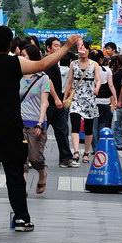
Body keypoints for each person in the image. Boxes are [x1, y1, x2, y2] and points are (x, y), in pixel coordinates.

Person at [0, 27, 77, 232]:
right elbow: (43, 63)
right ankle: (21, 218)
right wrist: (66, 46)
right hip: (9, 127)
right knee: (14, 174)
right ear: (11, 45)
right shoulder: (14, 63)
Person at [19, 44, 52, 194]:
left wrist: (40, 122)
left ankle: (42, 174)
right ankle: (23, 186)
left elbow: (44, 102)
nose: (21, 58)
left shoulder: (42, 78)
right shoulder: (16, 75)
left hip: (35, 123)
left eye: (24, 55)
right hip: (18, 122)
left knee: (35, 158)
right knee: (21, 158)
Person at [63, 39, 100, 164]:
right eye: (79, 47)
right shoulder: (73, 64)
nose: (82, 50)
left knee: (89, 129)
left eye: (84, 47)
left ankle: (86, 152)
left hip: (90, 99)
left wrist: (97, 88)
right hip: (76, 98)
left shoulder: (94, 64)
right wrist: (65, 98)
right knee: (75, 125)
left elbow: (99, 80)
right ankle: (76, 151)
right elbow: (69, 81)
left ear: (89, 50)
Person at [43, 37, 76, 167]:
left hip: (57, 103)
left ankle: (66, 158)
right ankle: (33, 157)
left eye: (59, 45)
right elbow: (48, 81)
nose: (58, 48)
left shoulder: (55, 62)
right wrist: (57, 99)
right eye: (55, 46)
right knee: (41, 133)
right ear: (48, 48)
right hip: (49, 103)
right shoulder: (47, 62)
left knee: (63, 130)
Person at [90, 49, 117, 149]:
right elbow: (111, 85)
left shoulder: (88, 70)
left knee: (93, 125)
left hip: (92, 101)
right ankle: (101, 147)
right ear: (101, 60)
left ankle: (95, 147)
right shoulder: (107, 70)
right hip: (105, 101)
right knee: (102, 123)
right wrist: (115, 97)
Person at [109, 55, 122, 150]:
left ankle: (118, 143)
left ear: (117, 63)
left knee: (117, 124)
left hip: (118, 103)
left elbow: (113, 90)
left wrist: (114, 102)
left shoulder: (115, 75)